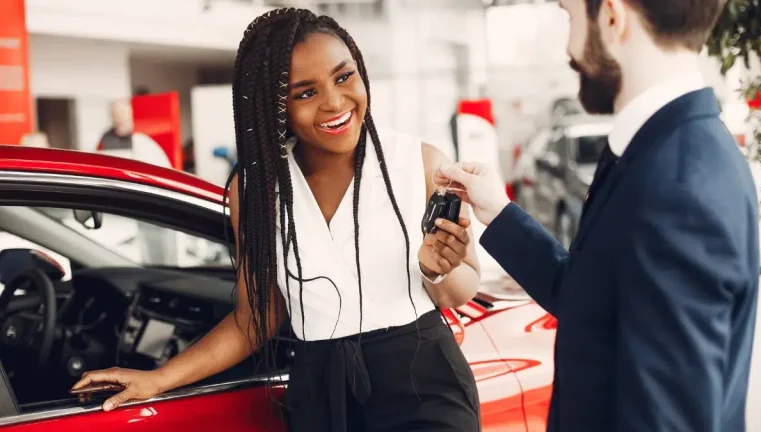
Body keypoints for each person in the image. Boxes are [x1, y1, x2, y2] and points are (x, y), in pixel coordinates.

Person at [71, 8, 482, 432]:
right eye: (306, 93)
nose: (335, 102)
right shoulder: (257, 189)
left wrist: (439, 271)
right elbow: (257, 318)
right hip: (319, 394)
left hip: (422, 383)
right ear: (276, 106)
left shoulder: (421, 163)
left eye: (344, 77)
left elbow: (459, 292)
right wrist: (158, 379)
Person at [438, 0, 760, 431]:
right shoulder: (664, 149)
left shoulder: (677, 184)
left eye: (569, 16)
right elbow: (589, 298)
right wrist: (498, 211)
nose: (567, 48)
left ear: (611, 16)